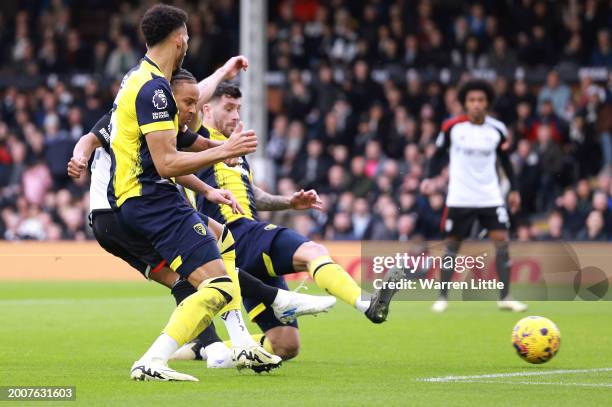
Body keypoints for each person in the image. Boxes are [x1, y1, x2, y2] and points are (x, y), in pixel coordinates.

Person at [68, 68, 334, 370]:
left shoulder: (163, 120)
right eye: (188, 104)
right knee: (218, 255)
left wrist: (216, 172)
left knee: (190, 277)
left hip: (112, 221)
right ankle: (270, 304)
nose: (193, 110)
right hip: (122, 211)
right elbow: (92, 140)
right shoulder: (133, 116)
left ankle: (218, 347)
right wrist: (79, 157)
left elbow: (190, 137)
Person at [107, 4, 271, 381]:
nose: (188, 43)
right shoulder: (155, 90)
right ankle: (153, 360)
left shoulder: (139, 77)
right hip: (154, 197)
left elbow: (178, 138)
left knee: (221, 260)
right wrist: (225, 151)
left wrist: (214, 152)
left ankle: (237, 342)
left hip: (138, 199)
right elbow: (166, 162)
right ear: (179, 39)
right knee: (218, 287)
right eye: (188, 37)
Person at [192, 82, 399, 361]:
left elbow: (252, 194)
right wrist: (224, 71)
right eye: (228, 108)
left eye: (238, 109)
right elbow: (190, 100)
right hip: (234, 233)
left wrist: (289, 202)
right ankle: (367, 304)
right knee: (313, 252)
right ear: (206, 108)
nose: (236, 116)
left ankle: (207, 349)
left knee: (286, 345)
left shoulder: (234, 149)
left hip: (244, 247)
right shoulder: (197, 139)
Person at [421, 79, 528, 313]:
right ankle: (442, 297)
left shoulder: (497, 129)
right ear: (465, 103)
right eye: (471, 100)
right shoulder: (452, 127)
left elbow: (506, 161)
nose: (476, 104)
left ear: (487, 103)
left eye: (480, 100)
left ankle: (505, 297)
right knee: (452, 246)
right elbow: (437, 154)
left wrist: (515, 190)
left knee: (502, 242)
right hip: (460, 197)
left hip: (490, 196)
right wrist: (429, 178)